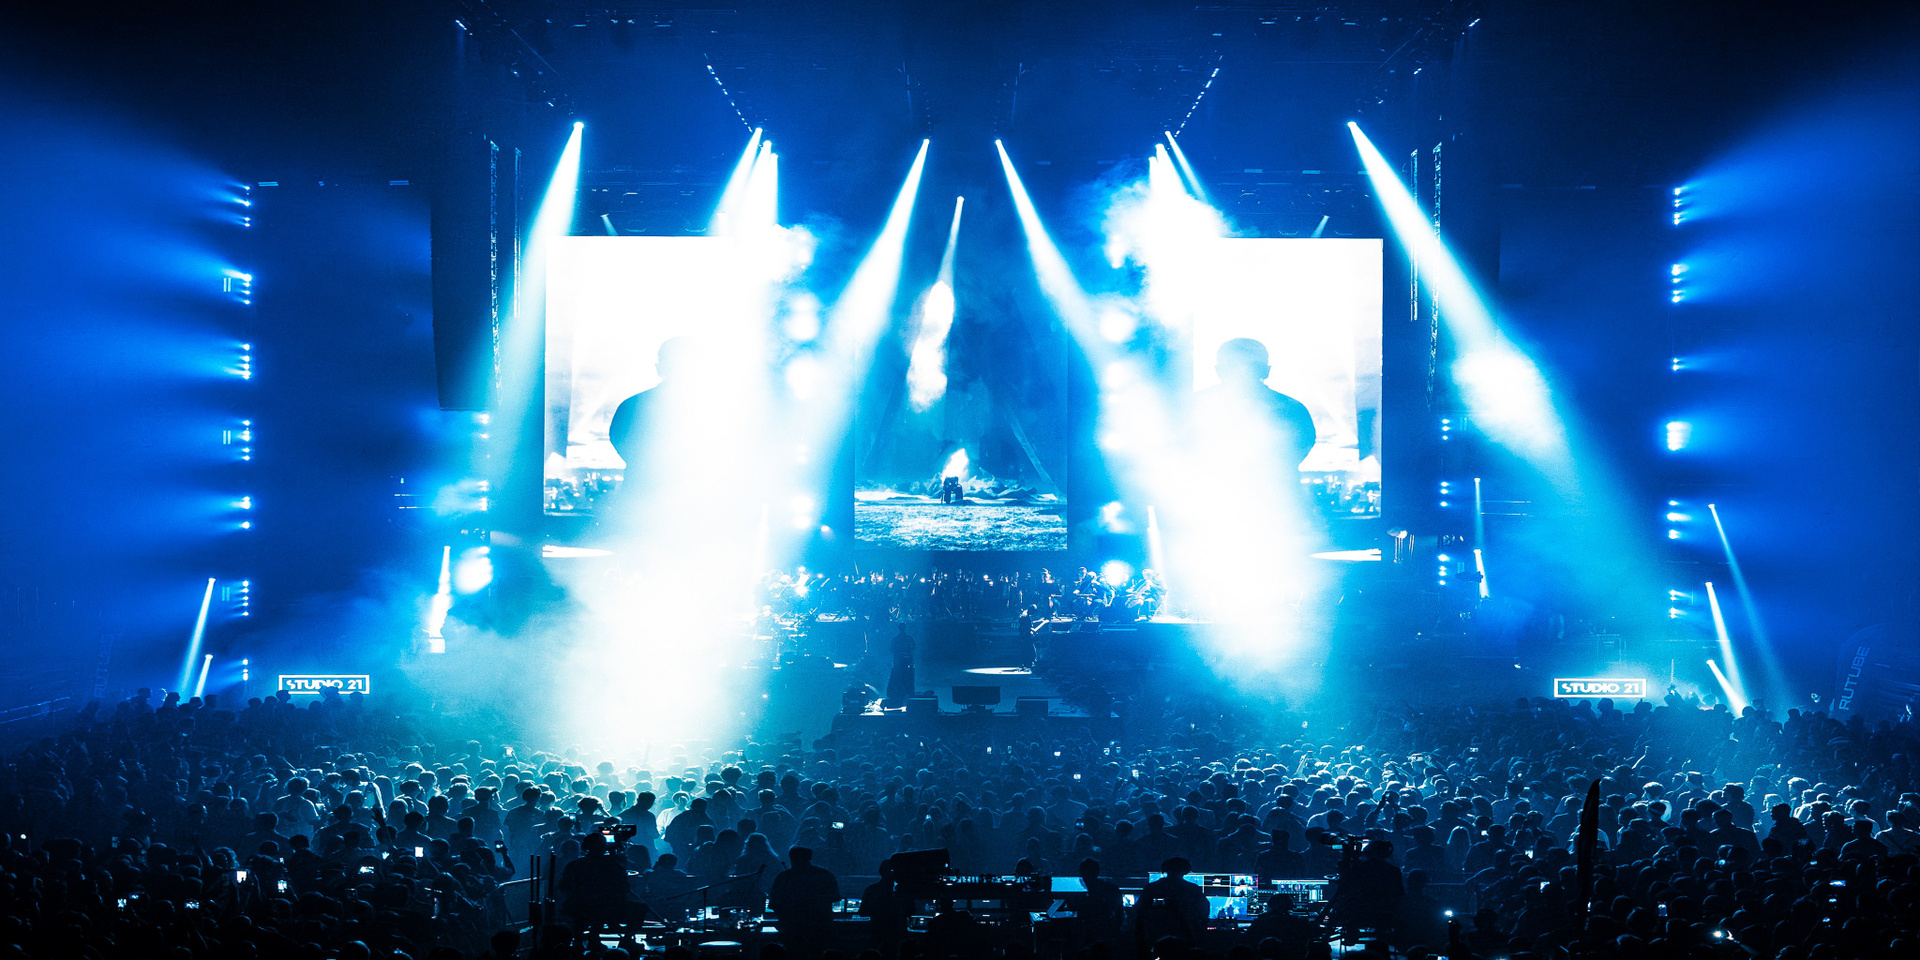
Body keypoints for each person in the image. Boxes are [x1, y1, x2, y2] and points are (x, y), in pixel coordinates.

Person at [558, 832, 648, 927]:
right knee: (641, 908)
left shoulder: (574, 865)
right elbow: (623, 886)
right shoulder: (612, 865)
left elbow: (564, 886)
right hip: (605, 907)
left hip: (580, 906)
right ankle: (623, 934)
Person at [768, 846, 839, 956]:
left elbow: (774, 904)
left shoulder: (784, 878)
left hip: (792, 929)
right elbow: (835, 898)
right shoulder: (825, 875)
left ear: (791, 858)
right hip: (820, 928)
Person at [1139, 857, 1210, 943]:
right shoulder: (1192, 889)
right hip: (1185, 932)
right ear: (1186, 871)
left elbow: (1140, 910)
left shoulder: (1152, 887)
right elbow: (1204, 909)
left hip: (1155, 931)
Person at [884, 623, 915, 706]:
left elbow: (892, 650)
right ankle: (907, 693)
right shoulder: (909, 639)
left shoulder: (896, 639)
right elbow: (913, 649)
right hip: (905, 662)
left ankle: (901, 694)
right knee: (907, 678)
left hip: (899, 662)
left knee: (898, 678)